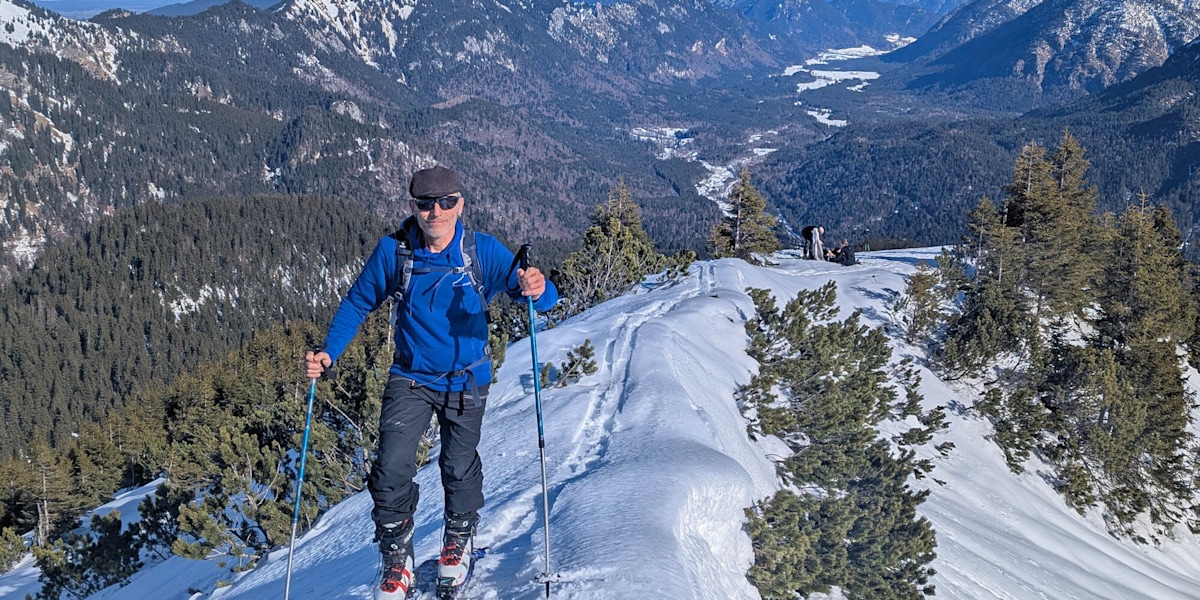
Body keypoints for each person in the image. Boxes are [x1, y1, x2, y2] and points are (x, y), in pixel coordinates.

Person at [304, 165, 558, 600]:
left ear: (459, 204)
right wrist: (330, 351)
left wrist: (538, 287)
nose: (435, 212)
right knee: (391, 467)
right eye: (425, 204)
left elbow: (539, 298)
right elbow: (358, 301)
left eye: (444, 202)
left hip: (466, 378)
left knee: (457, 464)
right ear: (413, 207)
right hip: (411, 377)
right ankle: (396, 558)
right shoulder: (394, 253)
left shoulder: (482, 252)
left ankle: (458, 540)